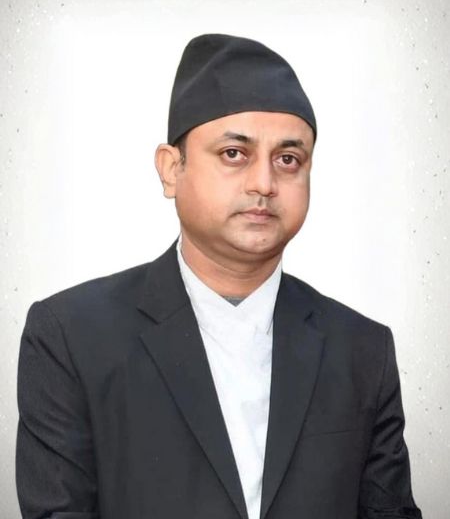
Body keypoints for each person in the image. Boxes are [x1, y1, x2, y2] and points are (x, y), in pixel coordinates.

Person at [16, 33, 422, 519]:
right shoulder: (72, 339)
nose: (264, 183)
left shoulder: (362, 350)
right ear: (171, 169)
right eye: (234, 153)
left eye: (288, 160)